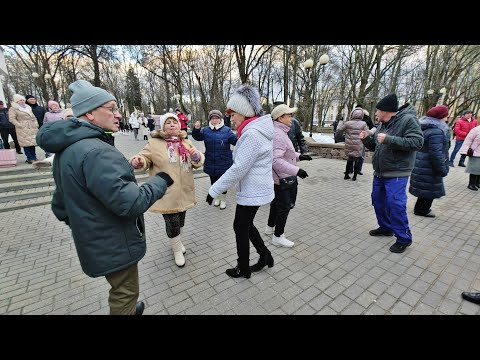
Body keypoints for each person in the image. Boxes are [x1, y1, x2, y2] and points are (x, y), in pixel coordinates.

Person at [36, 80, 173, 315]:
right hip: (115, 241)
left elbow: (59, 206)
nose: (118, 114)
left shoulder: (68, 149)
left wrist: (85, 222)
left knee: (120, 289)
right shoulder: (97, 151)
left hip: (97, 240)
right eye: (111, 108)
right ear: (90, 112)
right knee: (125, 292)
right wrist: (160, 181)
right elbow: (132, 203)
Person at [206, 84, 275, 279]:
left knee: (240, 227)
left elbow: (238, 169)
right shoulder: (253, 130)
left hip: (252, 190)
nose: (230, 117)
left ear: (244, 112)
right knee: (245, 225)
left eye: (233, 113)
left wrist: (214, 190)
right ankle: (265, 256)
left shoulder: (252, 134)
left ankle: (243, 268)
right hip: (255, 188)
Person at [130, 112, 204, 268]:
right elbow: (144, 157)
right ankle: (177, 250)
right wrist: (139, 161)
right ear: (162, 126)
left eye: (174, 122)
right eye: (168, 122)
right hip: (166, 190)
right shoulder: (154, 143)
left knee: (181, 219)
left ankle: (177, 242)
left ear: (179, 125)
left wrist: (197, 156)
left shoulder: (185, 141)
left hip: (184, 190)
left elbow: (196, 160)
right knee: (172, 222)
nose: (172, 124)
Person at [359, 93, 424, 253]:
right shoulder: (383, 124)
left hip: (397, 172)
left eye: (377, 111)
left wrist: (389, 139)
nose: (375, 114)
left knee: (396, 205)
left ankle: (404, 238)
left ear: (386, 111)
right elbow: (376, 146)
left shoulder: (408, 120)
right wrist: (366, 139)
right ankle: (386, 227)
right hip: (380, 172)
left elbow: (418, 142)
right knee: (377, 200)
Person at [265, 104, 311, 248]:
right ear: (280, 117)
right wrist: (297, 171)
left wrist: (300, 156)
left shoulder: (280, 131)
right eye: (289, 115)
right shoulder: (279, 134)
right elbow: (275, 160)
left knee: (276, 203)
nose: (292, 118)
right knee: (284, 206)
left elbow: (286, 153)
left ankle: (269, 227)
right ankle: (278, 236)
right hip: (282, 178)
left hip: (281, 177)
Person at [409, 105, 450, 217]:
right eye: (446, 115)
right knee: (429, 188)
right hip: (430, 165)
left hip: (421, 162)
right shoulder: (437, 131)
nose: (448, 117)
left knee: (424, 187)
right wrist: (442, 169)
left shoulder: (424, 127)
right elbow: (436, 154)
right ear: (440, 117)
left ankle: (420, 209)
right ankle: (422, 210)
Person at [192, 109, 237, 209]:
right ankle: (217, 197)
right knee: (213, 181)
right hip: (211, 160)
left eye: (217, 118)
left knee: (223, 181)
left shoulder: (227, 130)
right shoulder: (206, 130)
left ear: (220, 119)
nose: (215, 120)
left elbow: (235, 141)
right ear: (210, 119)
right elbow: (197, 137)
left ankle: (223, 199)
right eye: (213, 118)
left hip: (224, 161)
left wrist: (241, 133)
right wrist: (196, 129)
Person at [337, 108, 370, 181]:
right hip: (359, 145)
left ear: (352, 114)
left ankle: (346, 175)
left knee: (349, 160)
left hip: (349, 144)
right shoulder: (363, 123)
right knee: (357, 160)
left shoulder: (348, 123)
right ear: (361, 115)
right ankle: (354, 177)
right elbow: (367, 133)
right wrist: (373, 130)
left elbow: (339, 130)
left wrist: (340, 122)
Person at [8, 94, 39, 163]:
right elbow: (12, 119)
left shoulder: (28, 107)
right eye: (20, 100)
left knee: (32, 143)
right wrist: (19, 125)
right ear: (16, 101)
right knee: (26, 143)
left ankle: (34, 157)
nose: (22, 101)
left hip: (31, 126)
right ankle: (30, 158)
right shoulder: (13, 108)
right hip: (22, 128)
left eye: (23, 100)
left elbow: (33, 116)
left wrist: (36, 123)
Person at [354, 105, 376, 175]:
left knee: (360, 154)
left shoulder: (366, 117)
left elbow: (372, 127)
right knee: (355, 154)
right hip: (356, 138)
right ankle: (354, 170)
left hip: (362, 138)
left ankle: (357, 170)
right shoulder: (354, 118)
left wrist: (368, 133)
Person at [459, 122, 480, 190]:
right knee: (474, 169)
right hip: (475, 153)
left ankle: (477, 183)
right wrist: (464, 151)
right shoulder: (476, 130)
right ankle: (471, 184)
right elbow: (468, 140)